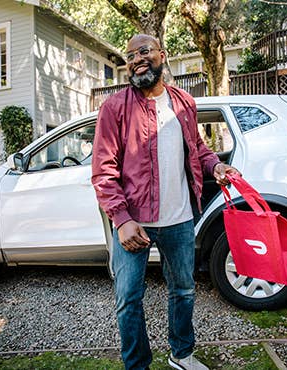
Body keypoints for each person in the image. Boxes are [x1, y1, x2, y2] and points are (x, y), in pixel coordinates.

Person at [91, 34, 240, 370]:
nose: (136, 60)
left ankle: (181, 354)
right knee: (128, 299)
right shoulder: (114, 108)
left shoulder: (184, 102)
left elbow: (198, 149)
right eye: (130, 55)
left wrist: (217, 165)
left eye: (143, 52)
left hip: (180, 219)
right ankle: (137, 365)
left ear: (162, 55)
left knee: (184, 290)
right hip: (133, 223)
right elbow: (103, 171)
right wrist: (121, 218)